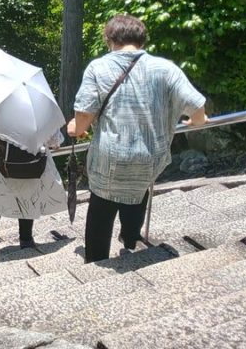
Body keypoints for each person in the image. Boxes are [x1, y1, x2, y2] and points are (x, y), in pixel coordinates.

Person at [67, 14, 207, 263]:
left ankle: (96, 260)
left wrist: (73, 128)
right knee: (138, 188)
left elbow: (82, 123)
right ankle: (130, 239)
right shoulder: (165, 68)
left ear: (108, 39)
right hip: (151, 156)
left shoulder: (98, 68)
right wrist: (195, 123)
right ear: (142, 40)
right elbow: (197, 110)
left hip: (112, 157)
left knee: (102, 207)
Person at [0, 131, 66, 253]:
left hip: (0, 163)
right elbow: (55, 140)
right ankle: (26, 240)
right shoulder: (38, 113)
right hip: (32, 162)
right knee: (28, 196)